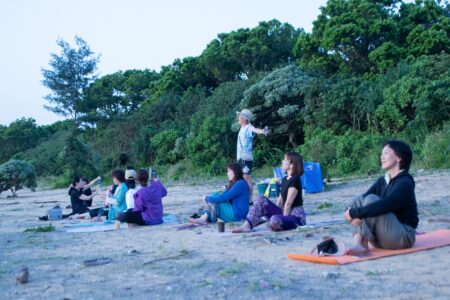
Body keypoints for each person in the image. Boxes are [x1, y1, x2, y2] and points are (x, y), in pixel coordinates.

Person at [343, 140, 418, 254]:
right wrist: (348, 212)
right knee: (359, 200)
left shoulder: (405, 182)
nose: (382, 157)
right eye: (381, 154)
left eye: (386, 153)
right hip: (380, 238)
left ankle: (362, 245)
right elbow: (361, 199)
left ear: (399, 157)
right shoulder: (382, 181)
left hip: (402, 237)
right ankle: (359, 244)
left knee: (371, 200)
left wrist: (354, 213)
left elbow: (386, 205)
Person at [232, 152, 306, 233]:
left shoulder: (295, 179)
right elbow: (280, 202)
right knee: (260, 199)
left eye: (285, 160)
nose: (282, 161)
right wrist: (274, 213)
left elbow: (288, 204)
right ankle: (247, 225)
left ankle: (277, 223)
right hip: (285, 213)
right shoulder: (285, 179)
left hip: (296, 217)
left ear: (292, 165)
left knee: (274, 220)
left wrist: (283, 219)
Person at [236, 109, 269, 203]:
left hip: (245, 158)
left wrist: (262, 131)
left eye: (240, 116)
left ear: (244, 119)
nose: (238, 118)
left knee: (247, 178)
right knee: (245, 177)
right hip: (242, 158)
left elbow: (255, 130)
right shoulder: (242, 128)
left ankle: (250, 199)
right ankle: (247, 198)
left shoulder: (248, 127)